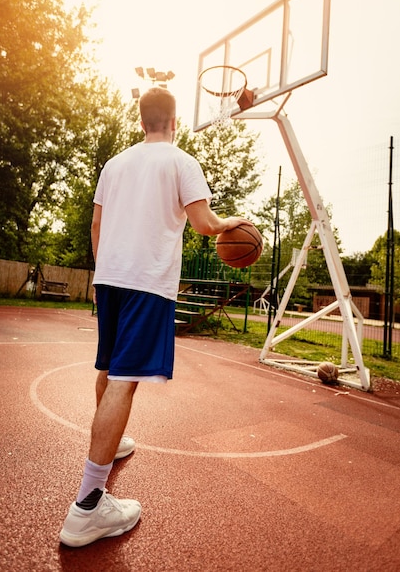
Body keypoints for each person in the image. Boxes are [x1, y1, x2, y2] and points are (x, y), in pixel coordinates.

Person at [59, 87, 249, 547]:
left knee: (108, 367)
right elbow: (204, 222)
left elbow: (96, 225)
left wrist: (105, 271)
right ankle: (88, 505)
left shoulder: (114, 165)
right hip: (147, 281)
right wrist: (232, 226)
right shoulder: (181, 162)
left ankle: (112, 443)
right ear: (174, 122)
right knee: (125, 378)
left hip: (111, 278)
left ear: (141, 120)